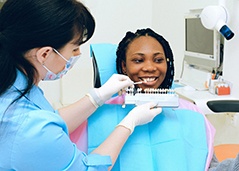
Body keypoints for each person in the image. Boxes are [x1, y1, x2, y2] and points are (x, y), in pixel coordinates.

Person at [0, 1, 162, 170]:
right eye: (75, 48)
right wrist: (129, 123)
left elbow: (53, 122)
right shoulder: (28, 126)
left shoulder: (15, 88)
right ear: (45, 54)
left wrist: (97, 97)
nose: (78, 54)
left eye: (158, 60)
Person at [87, 28, 215, 171]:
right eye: (138, 60)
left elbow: (209, 163)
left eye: (158, 60)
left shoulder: (191, 112)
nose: (150, 67)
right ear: (124, 66)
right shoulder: (100, 114)